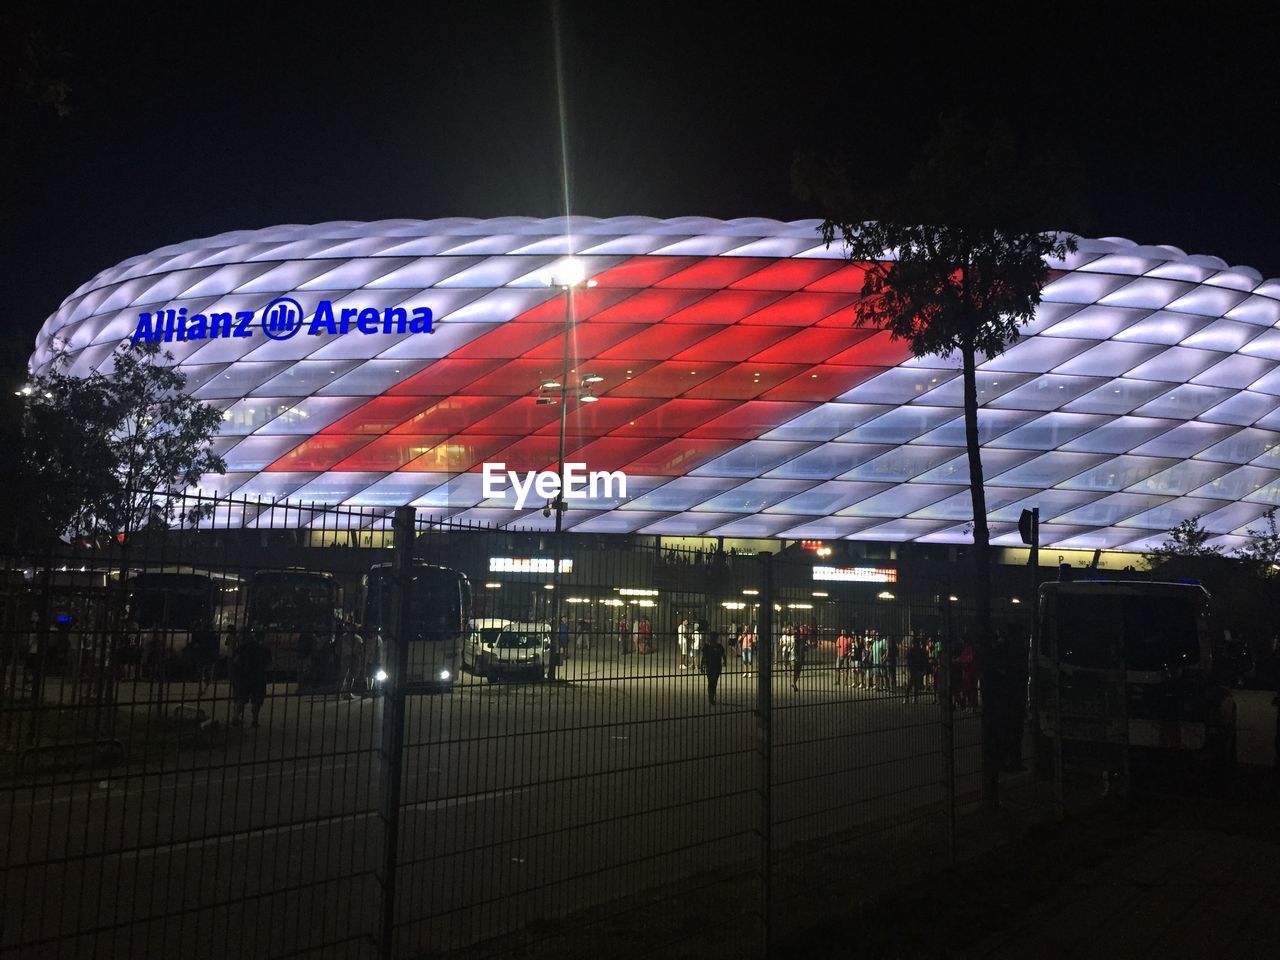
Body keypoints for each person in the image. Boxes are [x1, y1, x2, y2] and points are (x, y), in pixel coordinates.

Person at [230, 630, 271, 728]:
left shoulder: (244, 646)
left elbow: (235, 659)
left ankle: (235, 717)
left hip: (244, 675)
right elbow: (268, 662)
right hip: (258, 676)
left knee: (241, 697)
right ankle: (255, 720)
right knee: (257, 699)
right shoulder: (263, 648)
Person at [339, 619, 366, 700]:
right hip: (354, 658)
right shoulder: (358, 638)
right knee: (351, 676)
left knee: (343, 675)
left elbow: (339, 647)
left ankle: (339, 692)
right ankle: (348, 692)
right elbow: (360, 650)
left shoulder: (344, 637)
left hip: (344, 657)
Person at [701, 632, 725, 704]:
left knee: (713, 683)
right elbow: (704, 657)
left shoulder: (718, 646)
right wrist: (702, 666)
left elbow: (723, 655)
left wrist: (724, 661)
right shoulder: (708, 647)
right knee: (711, 682)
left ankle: (711, 697)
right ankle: (711, 697)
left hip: (716, 667)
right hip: (710, 667)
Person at [906, 636, 929, 704]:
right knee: (910, 684)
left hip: (917, 668)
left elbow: (923, 660)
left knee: (915, 684)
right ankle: (908, 698)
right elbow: (908, 659)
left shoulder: (919, 650)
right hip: (913, 669)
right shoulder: (913, 650)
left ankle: (914, 698)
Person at [790, 625, 807, 692]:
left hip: (799, 659)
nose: (796, 635)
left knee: (798, 673)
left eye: (797, 634)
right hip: (793, 657)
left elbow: (804, 650)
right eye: (795, 633)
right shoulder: (791, 639)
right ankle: (793, 684)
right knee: (794, 672)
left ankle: (793, 683)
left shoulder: (801, 641)